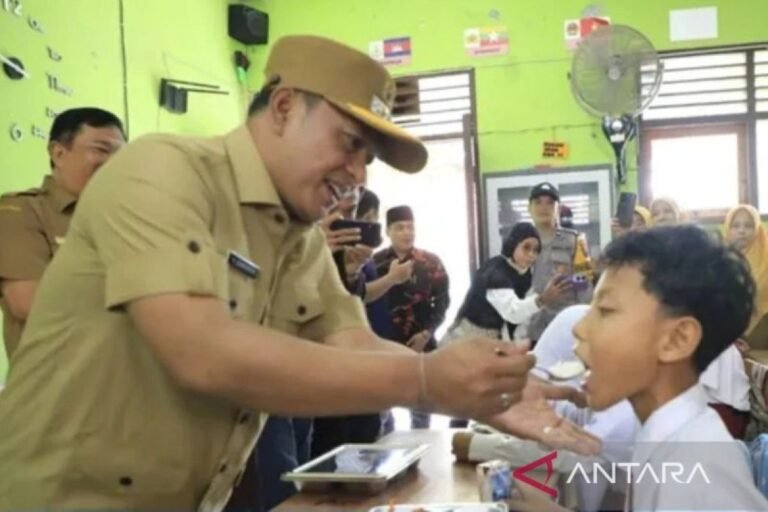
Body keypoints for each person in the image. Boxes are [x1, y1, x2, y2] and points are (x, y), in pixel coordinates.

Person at [0, 36, 596, 510]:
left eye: (368, 157)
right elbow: (201, 351)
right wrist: (424, 381)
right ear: (284, 107)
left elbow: (353, 340)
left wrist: (489, 392)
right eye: (349, 143)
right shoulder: (161, 169)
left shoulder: (298, 237)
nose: (358, 173)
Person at [570, 225, 768, 511]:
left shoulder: (699, 469)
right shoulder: (664, 436)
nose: (578, 328)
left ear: (677, 340)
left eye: (606, 310)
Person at [0, 107, 125, 359]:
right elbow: (27, 301)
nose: (113, 162)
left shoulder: (123, 218)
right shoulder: (20, 210)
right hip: (57, 386)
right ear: (58, 153)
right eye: (101, 149)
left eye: (120, 154)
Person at [374, 205, 450, 429]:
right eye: (400, 228)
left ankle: (418, 457)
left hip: (420, 344)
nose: (407, 232)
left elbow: (443, 302)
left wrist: (427, 333)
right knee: (380, 410)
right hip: (383, 347)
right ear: (388, 231)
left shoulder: (430, 262)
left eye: (410, 227)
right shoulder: (374, 263)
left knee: (421, 409)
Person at [443, 222, 570, 343]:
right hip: (467, 337)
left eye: (536, 250)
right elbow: (512, 312)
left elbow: (524, 316)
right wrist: (542, 300)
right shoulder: (496, 272)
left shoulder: (525, 273)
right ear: (512, 244)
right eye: (526, 248)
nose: (531, 255)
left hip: (496, 338)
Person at [521, 182, 590, 345]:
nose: (544, 207)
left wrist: (586, 324)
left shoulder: (574, 241)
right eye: (538, 202)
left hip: (565, 326)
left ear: (558, 209)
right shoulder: (518, 243)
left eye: (550, 202)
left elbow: (584, 284)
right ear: (529, 208)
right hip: (529, 328)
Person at [724, 204, 768, 338]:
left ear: (757, 228)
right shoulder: (721, 257)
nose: (741, 231)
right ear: (728, 229)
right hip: (727, 322)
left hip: (762, 321)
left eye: (748, 226)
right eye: (735, 226)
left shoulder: (765, 256)